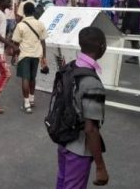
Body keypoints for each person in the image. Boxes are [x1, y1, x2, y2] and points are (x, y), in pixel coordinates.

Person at [56, 26, 109, 189]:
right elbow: (90, 129)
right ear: (102, 47)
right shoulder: (92, 83)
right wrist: (100, 167)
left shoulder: (70, 67)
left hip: (63, 139)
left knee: (63, 181)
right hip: (78, 149)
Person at [11, 2, 47, 114]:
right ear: (33, 11)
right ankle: (31, 100)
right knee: (33, 78)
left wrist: (14, 56)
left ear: (24, 12)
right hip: (36, 55)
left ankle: (26, 104)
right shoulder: (40, 24)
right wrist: (44, 56)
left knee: (25, 78)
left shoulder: (20, 25)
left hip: (24, 55)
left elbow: (15, 43)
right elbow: (43, 41)